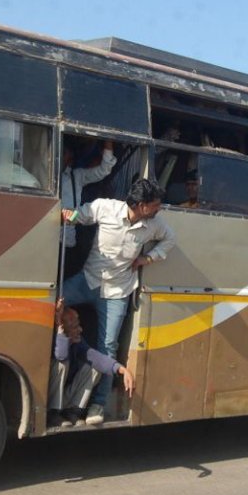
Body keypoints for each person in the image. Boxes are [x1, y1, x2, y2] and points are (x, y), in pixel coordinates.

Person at [60, 178, 175, 425]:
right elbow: (82, 214)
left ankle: (97, 405)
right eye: (156, 204)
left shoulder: (154, 224)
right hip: (87, 280)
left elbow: (170, 240)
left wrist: (148, 259)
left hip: (117, 292)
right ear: (142, 205)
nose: (159, 208)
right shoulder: (106, 207)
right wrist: (71, 216)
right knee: (50, 301)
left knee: (108, 346)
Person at [48, 300, 134, 427]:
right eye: (74, 327)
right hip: (49, 397)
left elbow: (96, 357)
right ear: (62, 328)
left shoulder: (78, 342)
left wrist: (122, 369)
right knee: (61, 364)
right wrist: (61, 335)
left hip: (65, 395)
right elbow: (61, 355)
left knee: (95, 368)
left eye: (79, 325)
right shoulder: (56, 338)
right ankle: (52, 413)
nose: (80, 330)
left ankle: (72, 410)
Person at [60, 140, 117, 277]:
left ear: (70, 158)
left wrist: (108, 143)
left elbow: (104, 170)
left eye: (63, 153)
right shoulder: (39, 171)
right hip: (43, 237)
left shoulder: (77, 176)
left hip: (66, 241)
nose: (59, 156)